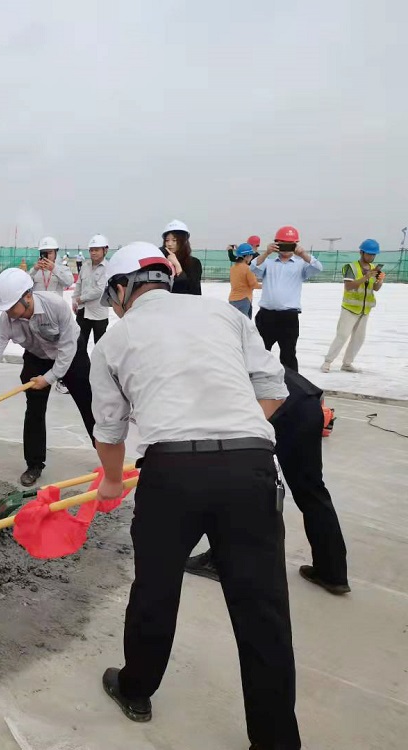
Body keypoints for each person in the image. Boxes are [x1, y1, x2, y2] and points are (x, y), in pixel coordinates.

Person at [89, 241, 299, 750]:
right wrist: (230, 430)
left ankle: (136, 689)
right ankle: (276, 740)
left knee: (155, 589)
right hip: (250, 467)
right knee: (263, 611)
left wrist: (112, 481)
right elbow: (274, 387)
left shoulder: (114, 341)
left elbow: (110, 431)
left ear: (122, 289)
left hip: (171, 474)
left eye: (113, 298)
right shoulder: (222, 314)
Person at [186, 366, 350, 596]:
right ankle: (332, 572)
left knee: (238, 481)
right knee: (311, 490)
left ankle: (222, 560)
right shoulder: (226, 347)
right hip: (304, 400)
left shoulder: (195, 362)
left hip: (275, 404)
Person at [0, 268, 95, 486]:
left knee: (89, 405)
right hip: (36, 356)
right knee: (34, 411)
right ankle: (34, 464)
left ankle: (108, 456)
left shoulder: (55, 306)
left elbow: (68, 348)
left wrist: (49, 378)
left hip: (71, 354)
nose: (8, 312)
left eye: (11, 306)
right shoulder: (6, 320)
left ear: (28, 296)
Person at [251, 225, 323, 371]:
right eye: (282, 243)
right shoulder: (268, 263)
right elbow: (252, 267)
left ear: (296, 245)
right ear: (276, 243)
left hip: (289, 317)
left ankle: (291, 383)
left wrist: (303, 254)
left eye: (290, 244)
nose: (286, 248)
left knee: (288, 354)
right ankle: (257, 380)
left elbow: (318, 268)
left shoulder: (301, 265)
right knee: (260, 353)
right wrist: (266, 253)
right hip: (267, 316)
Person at [321, 239, 384, 373]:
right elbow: (348, 286)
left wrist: (380, 280)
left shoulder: (373, 269)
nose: (371, 257)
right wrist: (366, 277)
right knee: (342, 335)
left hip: (365, 310)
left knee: (358, 339)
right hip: (350, 308)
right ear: (361, 252)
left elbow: (376, 288)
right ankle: (327, 362)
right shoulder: (351, 267)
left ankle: (347, 363)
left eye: (373, 254)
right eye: (369, 254)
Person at [72, 235, 110, 355]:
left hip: (99, 313)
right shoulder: (85, 266)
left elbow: (100, 290)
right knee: (79, 344)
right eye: (91, 250)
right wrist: (74, 300)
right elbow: (79, 284)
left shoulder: (107, 268)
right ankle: (82, 366)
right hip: (83, 312)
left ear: (105, 250)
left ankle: (99, 366)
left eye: (96, 250)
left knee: (100, 346)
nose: (93, 253)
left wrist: (81, 299)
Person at [161, 220, 201, 295]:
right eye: (167, 240)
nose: (169, 244)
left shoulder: (193, 263)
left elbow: (194, 292)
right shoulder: (161, 262)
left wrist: (177, 266)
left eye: (174, 240)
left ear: (183, 241)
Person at [227, 243, 260, 318]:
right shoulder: (248, 269)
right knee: (245, 322)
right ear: (247, 256)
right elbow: (254, 285)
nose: (251, 257)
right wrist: (266, 285)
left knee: (234, 321)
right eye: (251, 255)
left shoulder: (233, 268)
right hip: (244, 299)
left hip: (232, 299)